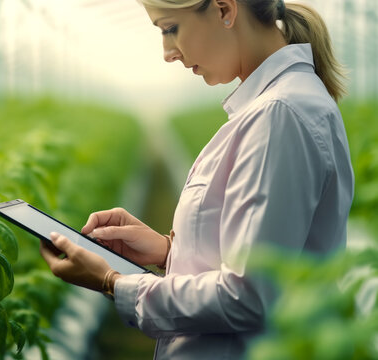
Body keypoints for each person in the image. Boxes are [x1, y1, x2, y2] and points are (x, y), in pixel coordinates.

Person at [39, 0, 354, 358]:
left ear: (224, 10)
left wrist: (113, 283)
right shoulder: (276, 107)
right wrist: (170, 251)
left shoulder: (279, 115)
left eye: (170, 28)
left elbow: (247, 298)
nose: (167, 53)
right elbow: (263, 262)